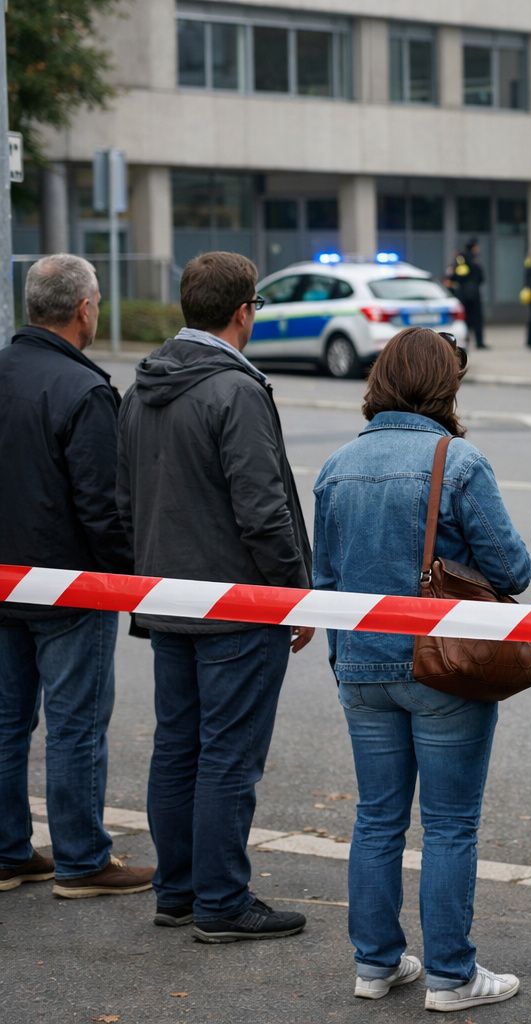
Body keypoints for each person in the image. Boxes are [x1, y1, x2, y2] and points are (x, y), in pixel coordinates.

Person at [312, 328, 531, 1011]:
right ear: (446, 385)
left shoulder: (335, 467)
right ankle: (450, 976)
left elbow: (324, 580)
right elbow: (514, 570)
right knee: (449, 824)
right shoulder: (458, 462)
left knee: (377, 819)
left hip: (361, 666)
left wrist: (343, 664)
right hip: (443, 667)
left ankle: (375, 966)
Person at [116, 251, 314, 942]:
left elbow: (126, 499)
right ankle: (224, 902)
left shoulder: (141, 387)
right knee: (229, 754)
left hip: (167, 596)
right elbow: (263, 511)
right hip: (237, 604)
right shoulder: (236, 391)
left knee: (179, 748)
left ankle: (178, 891)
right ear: (243, 310)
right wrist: (293, 594)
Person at [0, 254, 151, 899]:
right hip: (68, 587)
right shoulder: (83, 390)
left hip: (3, 581)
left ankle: (7, 852)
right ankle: (82, 859)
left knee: (6, 722)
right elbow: (102, 506)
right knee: (74, 726)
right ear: (85, 308)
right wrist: (125, 578)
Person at [447, 241, 487, 351]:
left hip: (463, 294)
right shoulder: (473, 260)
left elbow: (454, 276)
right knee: (477, 319)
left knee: (466, 320)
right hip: (473, 293)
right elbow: (480, 277)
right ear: (473, 247)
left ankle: (466, 342)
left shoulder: (461, 259)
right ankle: (479, 342)